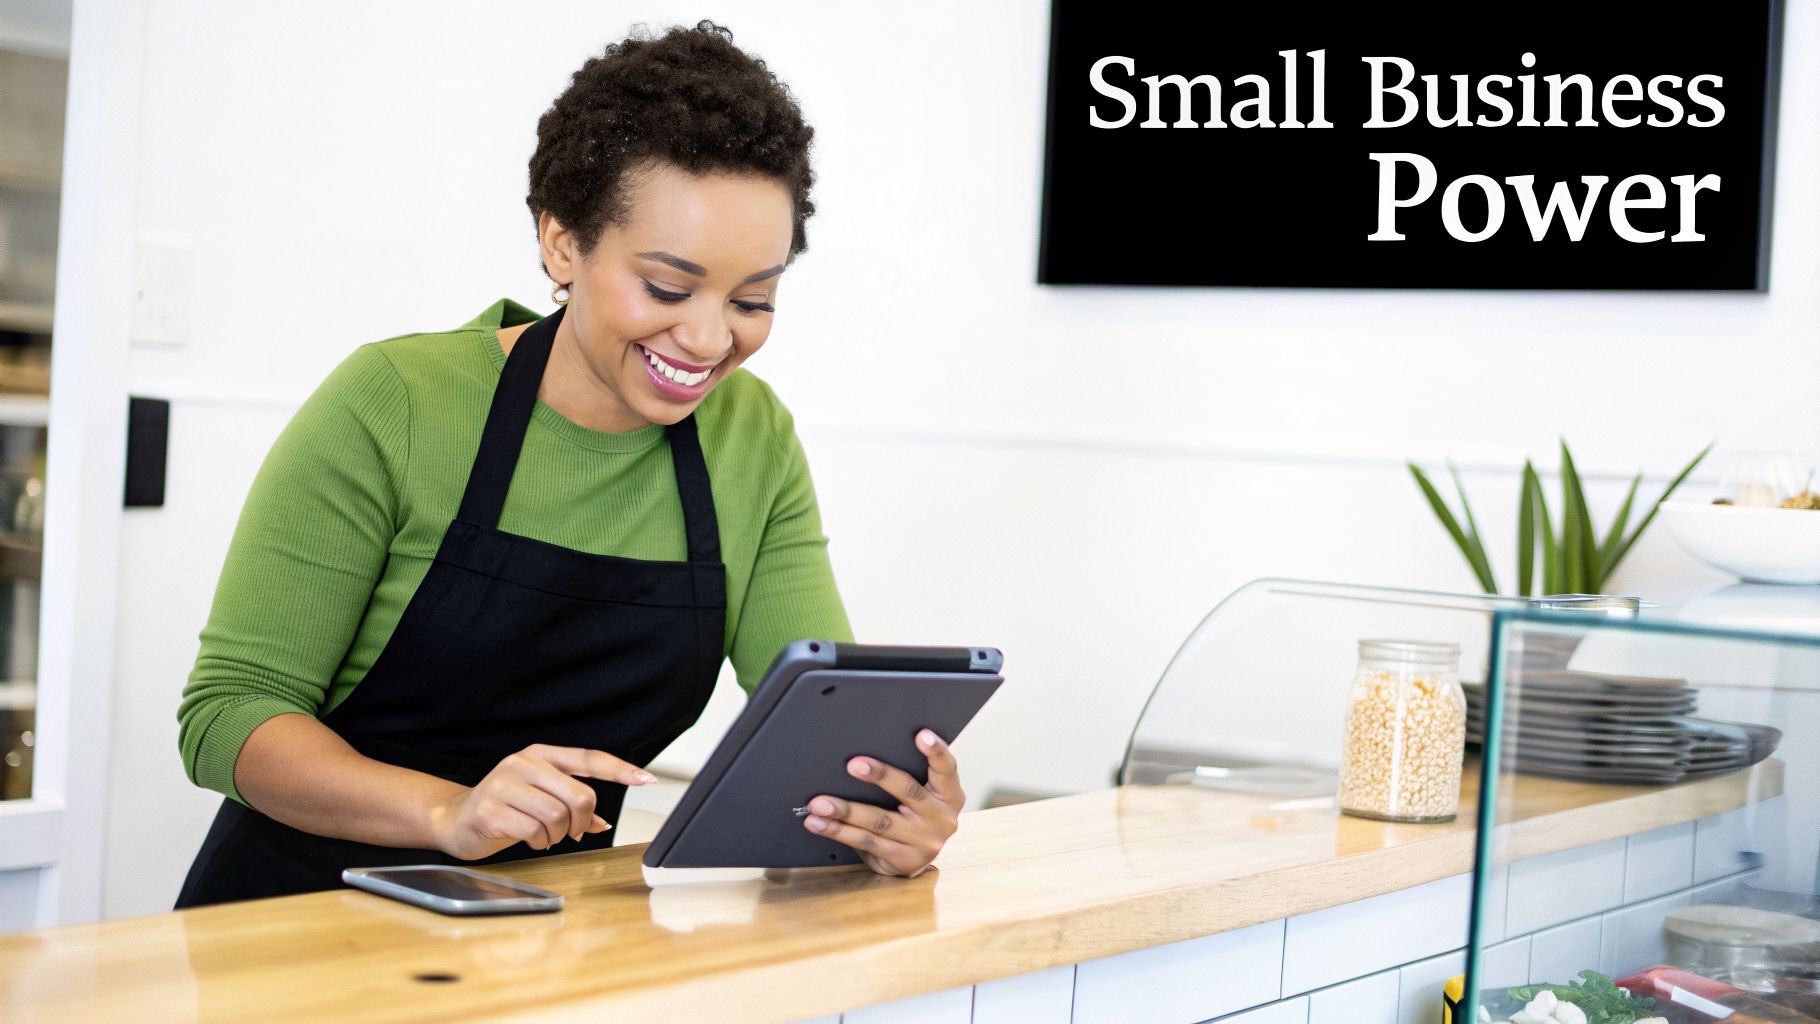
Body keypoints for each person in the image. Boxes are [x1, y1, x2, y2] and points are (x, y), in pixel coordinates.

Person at [173, 20, 965, 908]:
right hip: (295, 926)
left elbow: (818, 721)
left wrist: (886, 813)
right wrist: (450, 813)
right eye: (667, 288)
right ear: (561, 243)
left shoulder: (753, 437)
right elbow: (228, 716)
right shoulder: (395, 401)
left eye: (753, 299)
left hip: (554, 937)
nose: (709, 339)